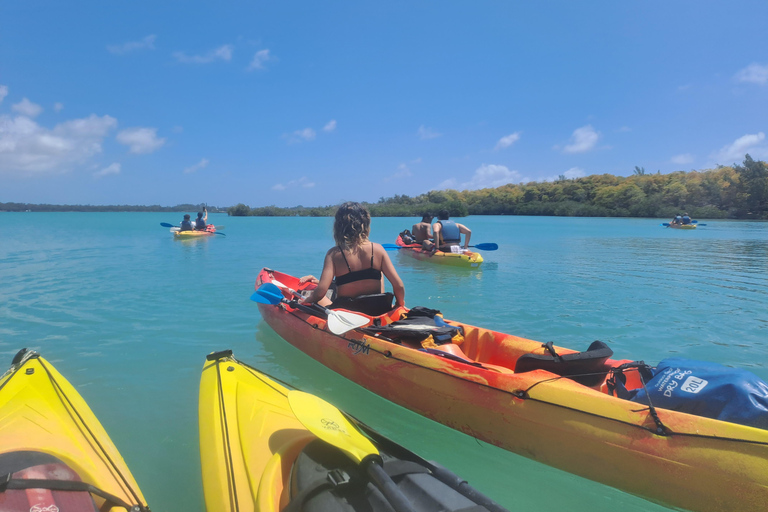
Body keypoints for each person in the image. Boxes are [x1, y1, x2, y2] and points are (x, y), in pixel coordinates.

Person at [298, 202, 405, 315]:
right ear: (366, 225)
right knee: (379, 272)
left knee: (317, 297)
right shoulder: (378, 249)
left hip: (347, 313)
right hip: (377, 310)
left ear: (338, 228)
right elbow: (398, 285)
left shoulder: (333, 254)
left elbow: (320, 292)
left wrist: (307, 301)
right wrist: (399, 304)